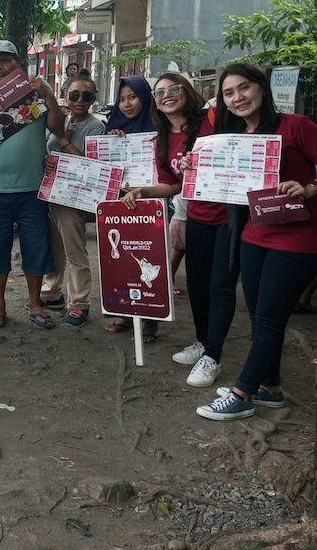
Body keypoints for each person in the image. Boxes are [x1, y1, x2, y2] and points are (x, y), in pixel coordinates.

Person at [196, 64, 317, 420]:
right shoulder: (232, 138)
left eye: (244, 88)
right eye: (229, 93)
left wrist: (309, 187)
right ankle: (270, 387)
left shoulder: (297, 126)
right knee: (260, 317)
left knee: (269, 319)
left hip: (297, 238)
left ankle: (242, 392)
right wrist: (195, 167)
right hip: (253, 235)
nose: (238, 97)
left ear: (262, 89)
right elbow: (218, 181)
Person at [121, 74, 236, 386]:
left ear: (186, 91)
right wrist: (142, 190)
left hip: (231, 215)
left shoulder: (211, 119)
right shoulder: (161, 138)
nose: (166, 95)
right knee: (197, 284)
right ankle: (203, 342)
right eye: (159, 92)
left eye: (173, 89)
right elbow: (172, 185)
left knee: (220, 285)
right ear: (155, 101)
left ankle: (213, 356)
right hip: (197, 216)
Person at [0, 40, 65, 330]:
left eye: (6, 61)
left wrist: (49, 96)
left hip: (32, 188)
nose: (0, 67)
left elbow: (58, 128)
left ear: (18, 62)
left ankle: (35, 304)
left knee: (35, 248)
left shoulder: (35, 95)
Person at [40, 76, 105, 327]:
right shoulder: (61, 120)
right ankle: (52, 292)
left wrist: (64, 142)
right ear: (64, 95)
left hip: (74, 200)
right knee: (55, 250)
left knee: (75, 251)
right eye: (75, 95)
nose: (80, 100)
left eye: (86, 96)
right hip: (53, 196)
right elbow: (49, 152)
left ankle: (79, 303)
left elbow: (92, 168)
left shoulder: (95, 127)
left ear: (93, 99)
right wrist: (48, 161)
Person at [102, 74, 159, 342]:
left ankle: (151, 320)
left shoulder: (158, 127)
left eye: (133, 97)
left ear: (145, 97)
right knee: (122, 258)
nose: (126, 104)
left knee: (150, 257)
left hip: (149, 203)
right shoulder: (113, 127)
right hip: (118, 203)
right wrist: (113, 141)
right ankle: (126, 312)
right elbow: (103, 165)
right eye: (122, 99)